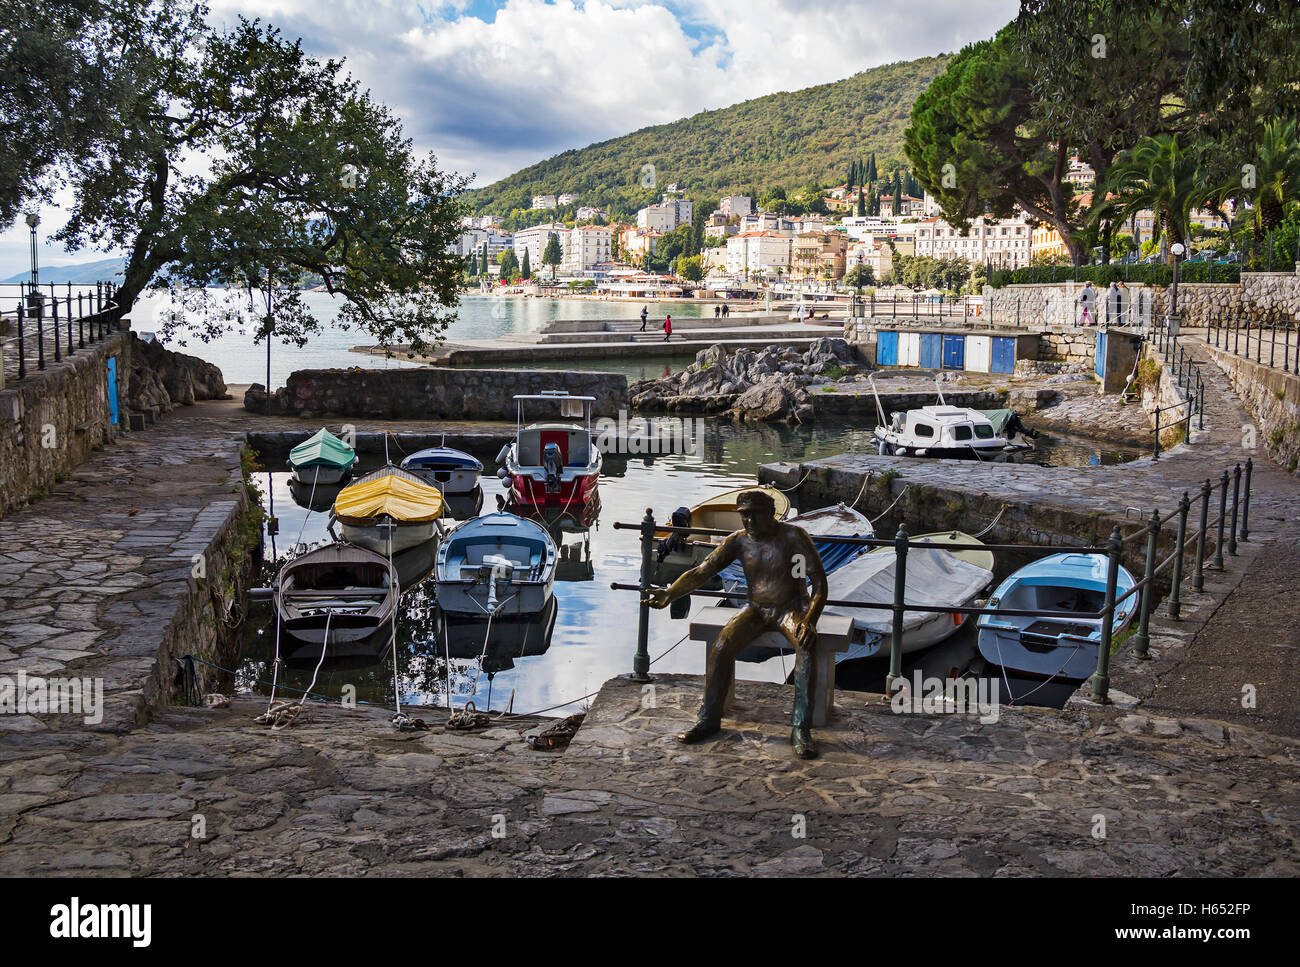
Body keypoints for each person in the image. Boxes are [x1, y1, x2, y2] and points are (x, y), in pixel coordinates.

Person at [644, 489, 828, 758]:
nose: (749, 521)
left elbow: (820, 584)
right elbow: (701, 571)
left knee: (806, 647)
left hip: (791, 609)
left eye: (754, 515)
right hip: (755, 609)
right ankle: (708, 720)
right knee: (721, 646)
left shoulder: (793, 537)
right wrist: (671, 593)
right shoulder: (738, 541)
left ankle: (801, 728)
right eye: (744, 516)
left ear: (770, 514)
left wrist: (810, 620)